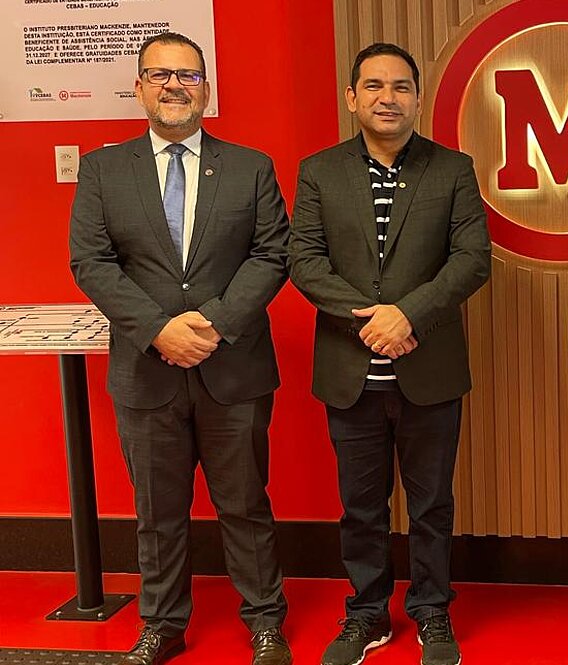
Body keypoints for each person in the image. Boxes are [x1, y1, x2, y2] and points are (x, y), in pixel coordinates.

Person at [68, 31, 291, 665]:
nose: (175, 86)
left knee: (245, 505)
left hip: (234, 367)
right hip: (145, 369)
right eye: (160, 74)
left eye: (188, 75)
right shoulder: (104, 170)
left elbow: (271, 254)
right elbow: (91, 261)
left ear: (206, 90)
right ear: (139, 87)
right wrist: (158, 329)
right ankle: (162, 624)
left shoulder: (250, 166)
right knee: (157, 511)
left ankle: (265, 622)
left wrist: (213, 324)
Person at [288, 42, 491, 665]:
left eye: (401, 86)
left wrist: (409, 314)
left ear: (418, 98)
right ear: (352, 97)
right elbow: (305, 261)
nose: (387, 98)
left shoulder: (452, 169)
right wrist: (374, 322)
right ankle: (367, 613)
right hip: (351, 372)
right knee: (360, 507)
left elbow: (471, 259)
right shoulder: (320, 171)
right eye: (373, 86)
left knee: (432, 504)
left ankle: (432, 610)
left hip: (429, 368)